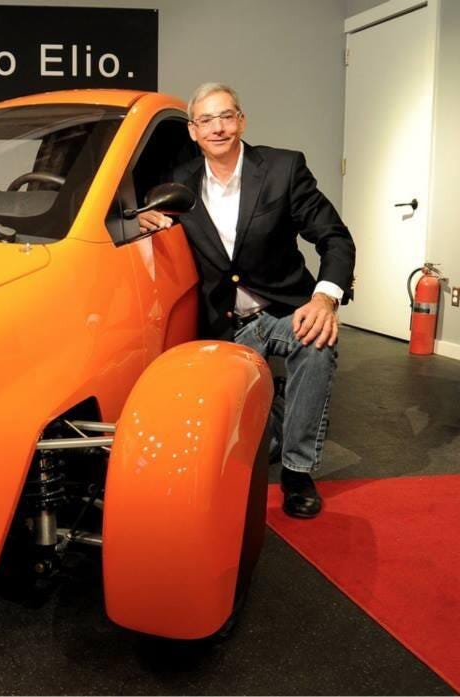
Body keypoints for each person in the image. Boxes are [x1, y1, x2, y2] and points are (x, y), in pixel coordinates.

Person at [138, 83, 355, 519]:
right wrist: (143, 213)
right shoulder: (175, 178)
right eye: (206, 120)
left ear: (241, 120)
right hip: (222, 322)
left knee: (316, 345)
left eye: (226, 116)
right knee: (240, 437)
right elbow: (141, 211)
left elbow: (335, 237)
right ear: (193, 131)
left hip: (282, 308)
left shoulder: (283, 168)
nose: (218, 128)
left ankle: (297, 472)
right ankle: (275, 427)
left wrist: (325, 298)